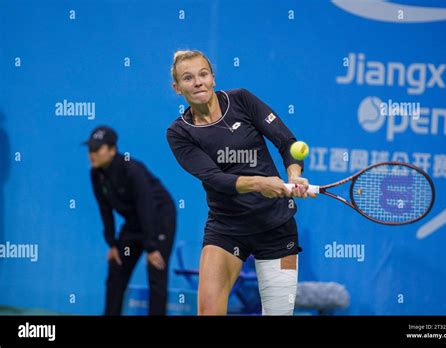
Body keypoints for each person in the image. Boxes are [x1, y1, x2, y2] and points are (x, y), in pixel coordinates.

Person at [166, 50, 316, 315]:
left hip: (276, 227)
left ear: (213, 78)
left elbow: (287, 143)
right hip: (226, 228)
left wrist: (293, 175)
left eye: (203, 74)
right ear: (177, 88)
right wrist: (260, 184)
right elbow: (215, 178)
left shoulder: (242, 100)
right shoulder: (179, 132)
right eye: (188, 78)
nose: (198, 82)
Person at [84, 126, 176, 315]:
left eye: (97, 149)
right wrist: (112, 244)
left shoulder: (132, 169)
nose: (92, 154)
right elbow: (105, 209)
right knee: (117, 265)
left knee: (156, 269)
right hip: (135, 221)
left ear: (112, 149)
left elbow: (146, 206)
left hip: (159, 218)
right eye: (90, 149)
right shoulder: (96, 174)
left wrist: (151, 247)